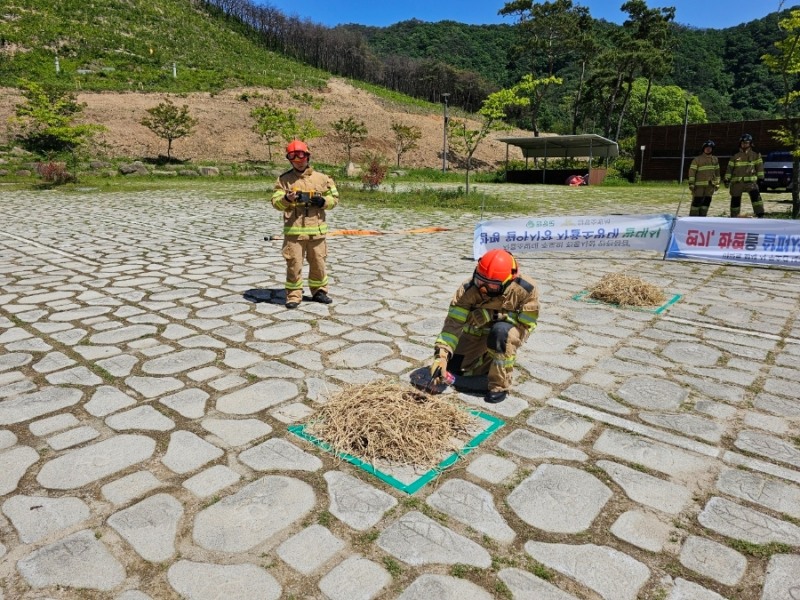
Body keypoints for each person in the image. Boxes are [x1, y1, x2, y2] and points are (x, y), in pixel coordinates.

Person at [431, 249, 540, 404]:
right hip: (477, 332)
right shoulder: (467, 290)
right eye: (480, 282)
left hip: (506, 332)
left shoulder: (526, 289)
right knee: (454, 368)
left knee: (501, 333)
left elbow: (527, 323)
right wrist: (441, 356)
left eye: (492, 286)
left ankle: (498, 385)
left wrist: (494, 315)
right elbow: (452, 326)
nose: (483, 289)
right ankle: (487, 362)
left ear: (509, 282)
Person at [271, 140, 339, 309]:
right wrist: (287, 199)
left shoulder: (322, 178)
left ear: (308, 157)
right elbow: (276, 203)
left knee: (318, 262)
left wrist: (323, 201)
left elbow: (334, 199)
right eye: (294, 160)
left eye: (301, 158)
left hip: (317, 231)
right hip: (294, 233)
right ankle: (294, 294)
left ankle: (319, 291)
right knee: (294, 264)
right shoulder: (284, 180)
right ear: (290, 161)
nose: (299, 162)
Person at [724, 133, 765, 218]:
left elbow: (759, 167)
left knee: (756, 199)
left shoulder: (756, 154)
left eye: (746, 143)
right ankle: (734, 217)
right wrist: (727, 178)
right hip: (737, 182)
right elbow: (730, 168)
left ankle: (760, 214)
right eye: (743, 143)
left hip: (751, 182)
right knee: (735, 200)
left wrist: (761, 179)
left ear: (750, 143)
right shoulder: (735, 154)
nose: (744, 144)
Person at [687, 140, 720, 216]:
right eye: (706, 148)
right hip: (698, 186)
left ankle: (703, 216)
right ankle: (693, 217)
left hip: (710, 185)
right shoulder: (697, 159)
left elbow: (717, 173)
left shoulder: (715, 159)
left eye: (710, 148)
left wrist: (717, 183)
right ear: (703, 149)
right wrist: (691, 183)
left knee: (707, 201)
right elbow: (692, 172)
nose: (708, 149)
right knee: (697, 201)